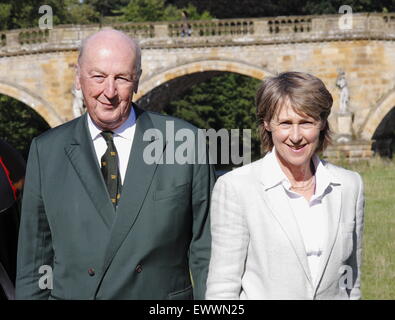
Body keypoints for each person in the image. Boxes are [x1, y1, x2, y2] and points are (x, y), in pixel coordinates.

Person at [16, 29, 215, 300]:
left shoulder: (183, 142)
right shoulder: (46, 151)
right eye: (98, 76)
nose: (109, 92)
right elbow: (34, 258)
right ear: (78, 78)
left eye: (121, 78)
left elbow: (208, 251)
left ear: (137, 81)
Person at [206, 71, 365, 300]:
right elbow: (222, 288)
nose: (296, 135)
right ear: (267, 124)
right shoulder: (236, 188)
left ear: (321, 123)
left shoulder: (350, 186)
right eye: (286, 123)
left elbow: (352, 282)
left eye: (306, 122)